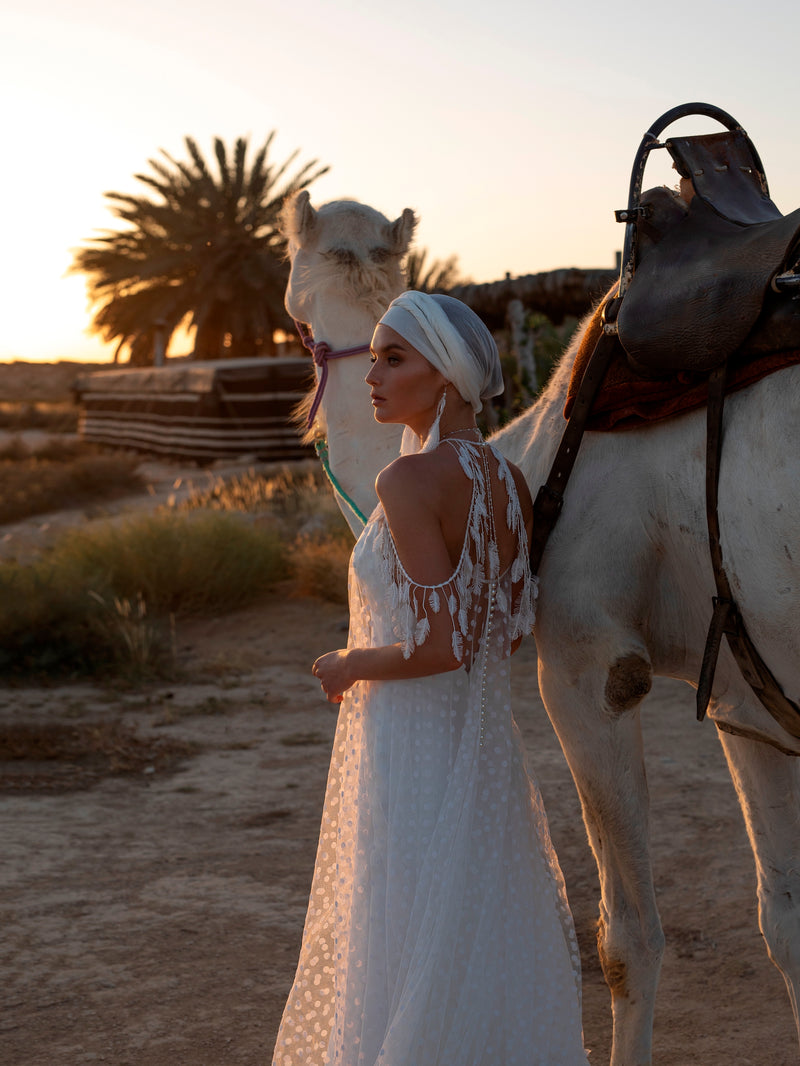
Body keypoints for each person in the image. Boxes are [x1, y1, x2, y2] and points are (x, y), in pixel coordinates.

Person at [272, 292, 588, 1065]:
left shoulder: (408, 482)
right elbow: (500, 634)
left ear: (444, 377)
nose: (371, 375)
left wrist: (349, 663)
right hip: (480, 750)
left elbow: (440, 644)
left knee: (399, 934)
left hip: (411, 744)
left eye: (393, 358)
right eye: (373, 357)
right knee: (473, 940)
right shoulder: (507, 481)